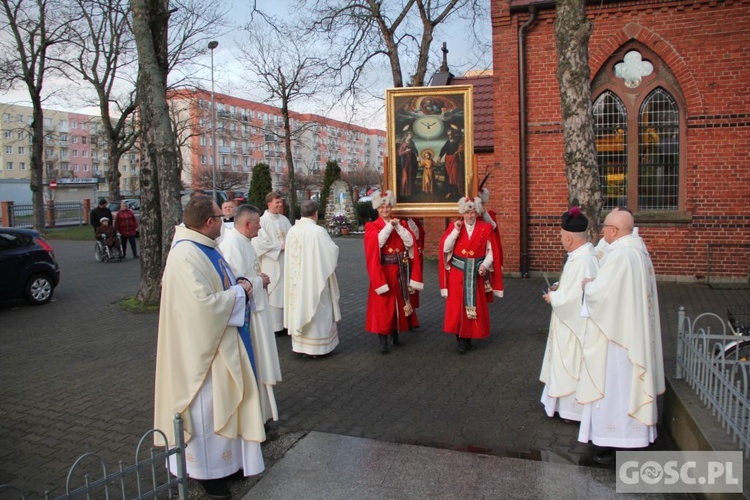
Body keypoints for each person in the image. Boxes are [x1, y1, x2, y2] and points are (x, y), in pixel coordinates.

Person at [154, 195, 265, 499]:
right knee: (205, 413)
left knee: (223, 407)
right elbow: (202, 309)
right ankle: (205, 473)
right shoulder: (186, 256)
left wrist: (239, 284)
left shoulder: (206, 247)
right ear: (209, 222)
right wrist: (241, 291)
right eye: (220, 217)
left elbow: (221, 284)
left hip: (221, 344)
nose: (224, 222)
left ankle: (227, 465)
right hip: (201, 354)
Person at [577, 209, 665, 463]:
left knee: (615, 388)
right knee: (628, 388)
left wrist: (588, 286)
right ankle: (636, 436)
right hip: (631, 333)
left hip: (618, 340)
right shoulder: (638, 250)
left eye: (605, 227)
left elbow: (602, 296)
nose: (602, 231)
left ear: (614, 230)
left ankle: (612, 439)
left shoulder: (622, 256)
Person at [219, 204, 283, 424]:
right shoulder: (232, 245)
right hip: (248, 317)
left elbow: (248, 274)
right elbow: (236, 284)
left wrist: (258, 278)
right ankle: (252, 415)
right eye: (257, 224)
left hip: (257, 311)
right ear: (247, 224)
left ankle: (263, 411)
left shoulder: (244, 242)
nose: (259, 228)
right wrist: (259, 281)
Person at [539, 207, 599, 423]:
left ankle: (572, 410)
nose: (561, 239)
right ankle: (560, 405)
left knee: (572, 364)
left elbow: (575, 298)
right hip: (569, 324)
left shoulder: (583, 260)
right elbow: (572, 286)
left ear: (570, 238)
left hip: (575, 328)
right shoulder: (580, 256)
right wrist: (558, 286)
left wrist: (553, 298)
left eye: (562, 236)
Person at [439, 196, 503, 354]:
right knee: (457, 307)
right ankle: (460, 339)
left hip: (476, 274)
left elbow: (492, 251)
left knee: (474, 306)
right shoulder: (455, 226)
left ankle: (469, 336)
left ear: (477, 212)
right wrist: (455, 230)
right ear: (462, 212)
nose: (470, 215)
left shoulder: (485, 227)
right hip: (457, 273)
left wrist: (484, 265)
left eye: (473, 212)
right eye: (467, 212)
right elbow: (445, 248)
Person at [364, 190, 423, 354]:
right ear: (377, 209)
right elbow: (377, 243)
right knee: (384, 305)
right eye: (382, 208)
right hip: (383, 272)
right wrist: (390, 226)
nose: (385, 210)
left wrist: (398, 227)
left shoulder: (401, 224)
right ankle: (383, 338)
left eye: (388, 207)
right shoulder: (372, 226)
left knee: (400, 302)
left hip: (399, 270)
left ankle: (395, 333)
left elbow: (411, 242)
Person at [283, 200, 341, 358]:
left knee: (299, 306)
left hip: (297, 281)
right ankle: (317, 348)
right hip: (314, 280)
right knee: (318, 309)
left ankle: (300, 346)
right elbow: (331, 252)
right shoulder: (317, 231)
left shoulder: (293, 230)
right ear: (315, 213)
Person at [252, 192, 293, 337]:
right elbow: (259, 242)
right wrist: (279, 247)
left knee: (287, 291)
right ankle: (275, 327)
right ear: (269, 203)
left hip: (286, 261)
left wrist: (289, 246)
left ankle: (287, 323)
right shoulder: (262, 221)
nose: (280, 205)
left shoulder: (284, 220)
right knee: (274, 291)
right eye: (277, 203)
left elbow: (292, 236)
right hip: (271, 262)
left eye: (281, 202)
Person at [438, 128, 465, 198]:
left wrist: (457, 152)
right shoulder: (448, 142)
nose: (450, 136)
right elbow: (443, 149)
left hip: (455, 159)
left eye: (451, 134)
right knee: (448, 176)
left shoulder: (458, 141)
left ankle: (456, 191)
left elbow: (461, 147)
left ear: (453, 134)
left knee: (455, 175)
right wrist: (440, 156)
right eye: (448, 135)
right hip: (448, 160)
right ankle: (449, 192)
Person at [398, 131, 418, 197]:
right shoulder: (403, 144)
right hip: (405, 162)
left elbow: (415, 150)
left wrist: (417, 156)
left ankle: (409, 192)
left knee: (410, 177)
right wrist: (405, 151)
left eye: (412, 136)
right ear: (407, 136)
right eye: (410, 135)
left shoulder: (412, 143)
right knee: (405, 176)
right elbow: (399, 153)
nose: (411, 137)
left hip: (412, 162)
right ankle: (403, 192)